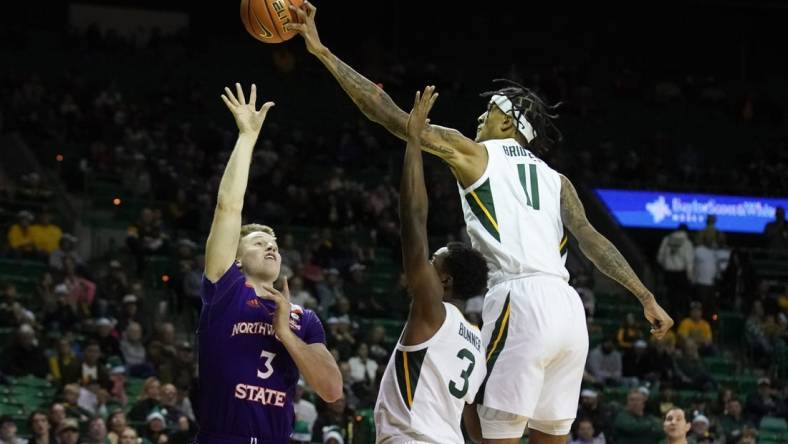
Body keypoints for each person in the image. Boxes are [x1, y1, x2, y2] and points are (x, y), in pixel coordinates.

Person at [287, 6, 673, 443]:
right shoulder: (557, 180)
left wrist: (321, 51)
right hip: (569, 309)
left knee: (496, 438)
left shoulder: (474, 152)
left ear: (507, 121)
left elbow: (390, 116)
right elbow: (593, 241)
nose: (478, 120)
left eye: (487, 112)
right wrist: (645, 296)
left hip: (519, 299)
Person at [196, 83, 341, 443]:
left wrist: (286, 334)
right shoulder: (224, 290)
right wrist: (247, 137)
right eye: (259, 243)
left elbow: (332, 390)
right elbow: (228, 206)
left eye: (274, 244)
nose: (271, 248)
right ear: (238, 259)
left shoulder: (304, 319)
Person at [373, 87, 489, 443]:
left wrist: (412, 141)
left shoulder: (432, 312)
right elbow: (471, 413)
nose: (426, 260)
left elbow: (414, 219)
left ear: (446, 280)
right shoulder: (477, 343)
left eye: (433, 260)